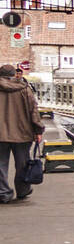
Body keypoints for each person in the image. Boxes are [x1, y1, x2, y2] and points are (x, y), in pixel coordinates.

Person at [0, 63, 44, 204]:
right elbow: (34, 112)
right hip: (22, 133)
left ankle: (3, 193)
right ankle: (23, 190)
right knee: (22, 163)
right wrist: (38, 130)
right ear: (15, 74)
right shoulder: (24, 89)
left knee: (1, 164)